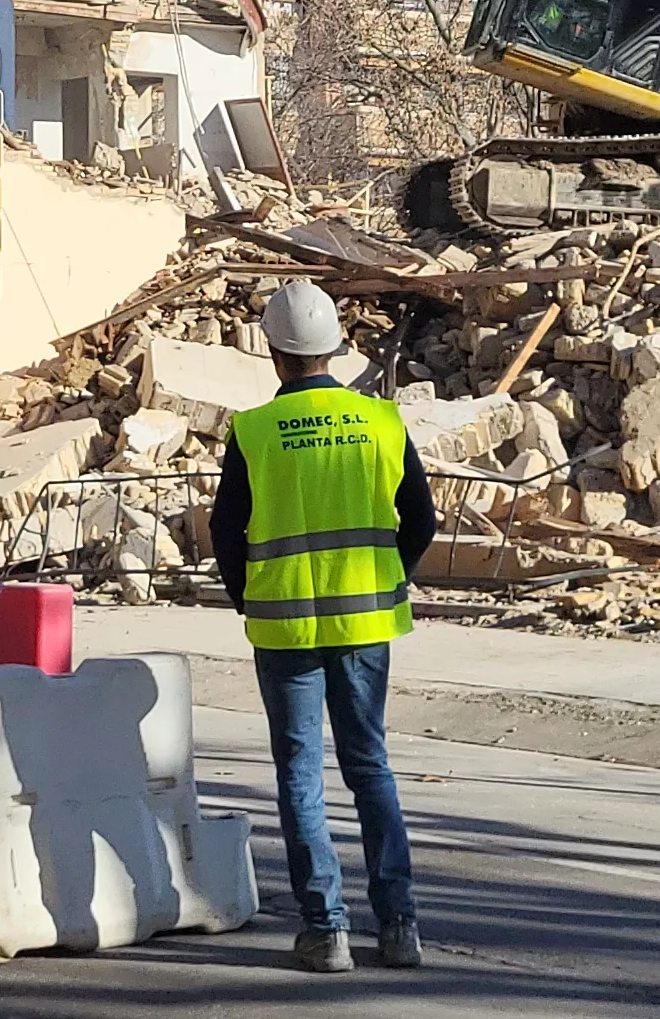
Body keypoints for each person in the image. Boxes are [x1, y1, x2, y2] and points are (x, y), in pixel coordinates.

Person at [211, 280, 435, 974]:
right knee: (370, 768)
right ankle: (398, 928)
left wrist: (249, 597)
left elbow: (225, 530)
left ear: (275, 354)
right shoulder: (381, 421)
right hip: (366, 622)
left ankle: (326, 931)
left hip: (285, 630)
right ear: (337, 347)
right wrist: (390, 577)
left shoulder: (255, 431)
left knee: (300, 775)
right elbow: (421, 519)